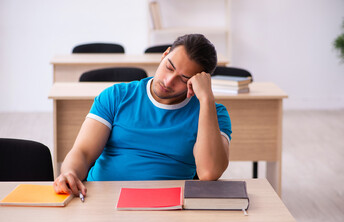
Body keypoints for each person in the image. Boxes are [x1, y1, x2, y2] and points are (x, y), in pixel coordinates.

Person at [53, 34, 232, 197]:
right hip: (100, 198)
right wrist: (70, 173)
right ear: (164, 55)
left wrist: (206, 98)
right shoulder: (117, 96)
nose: (168, 81)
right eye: (169, 67)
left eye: (183, 79)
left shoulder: (213, 113)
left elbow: (209, 173)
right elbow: (83, 152)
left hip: (164, 205)